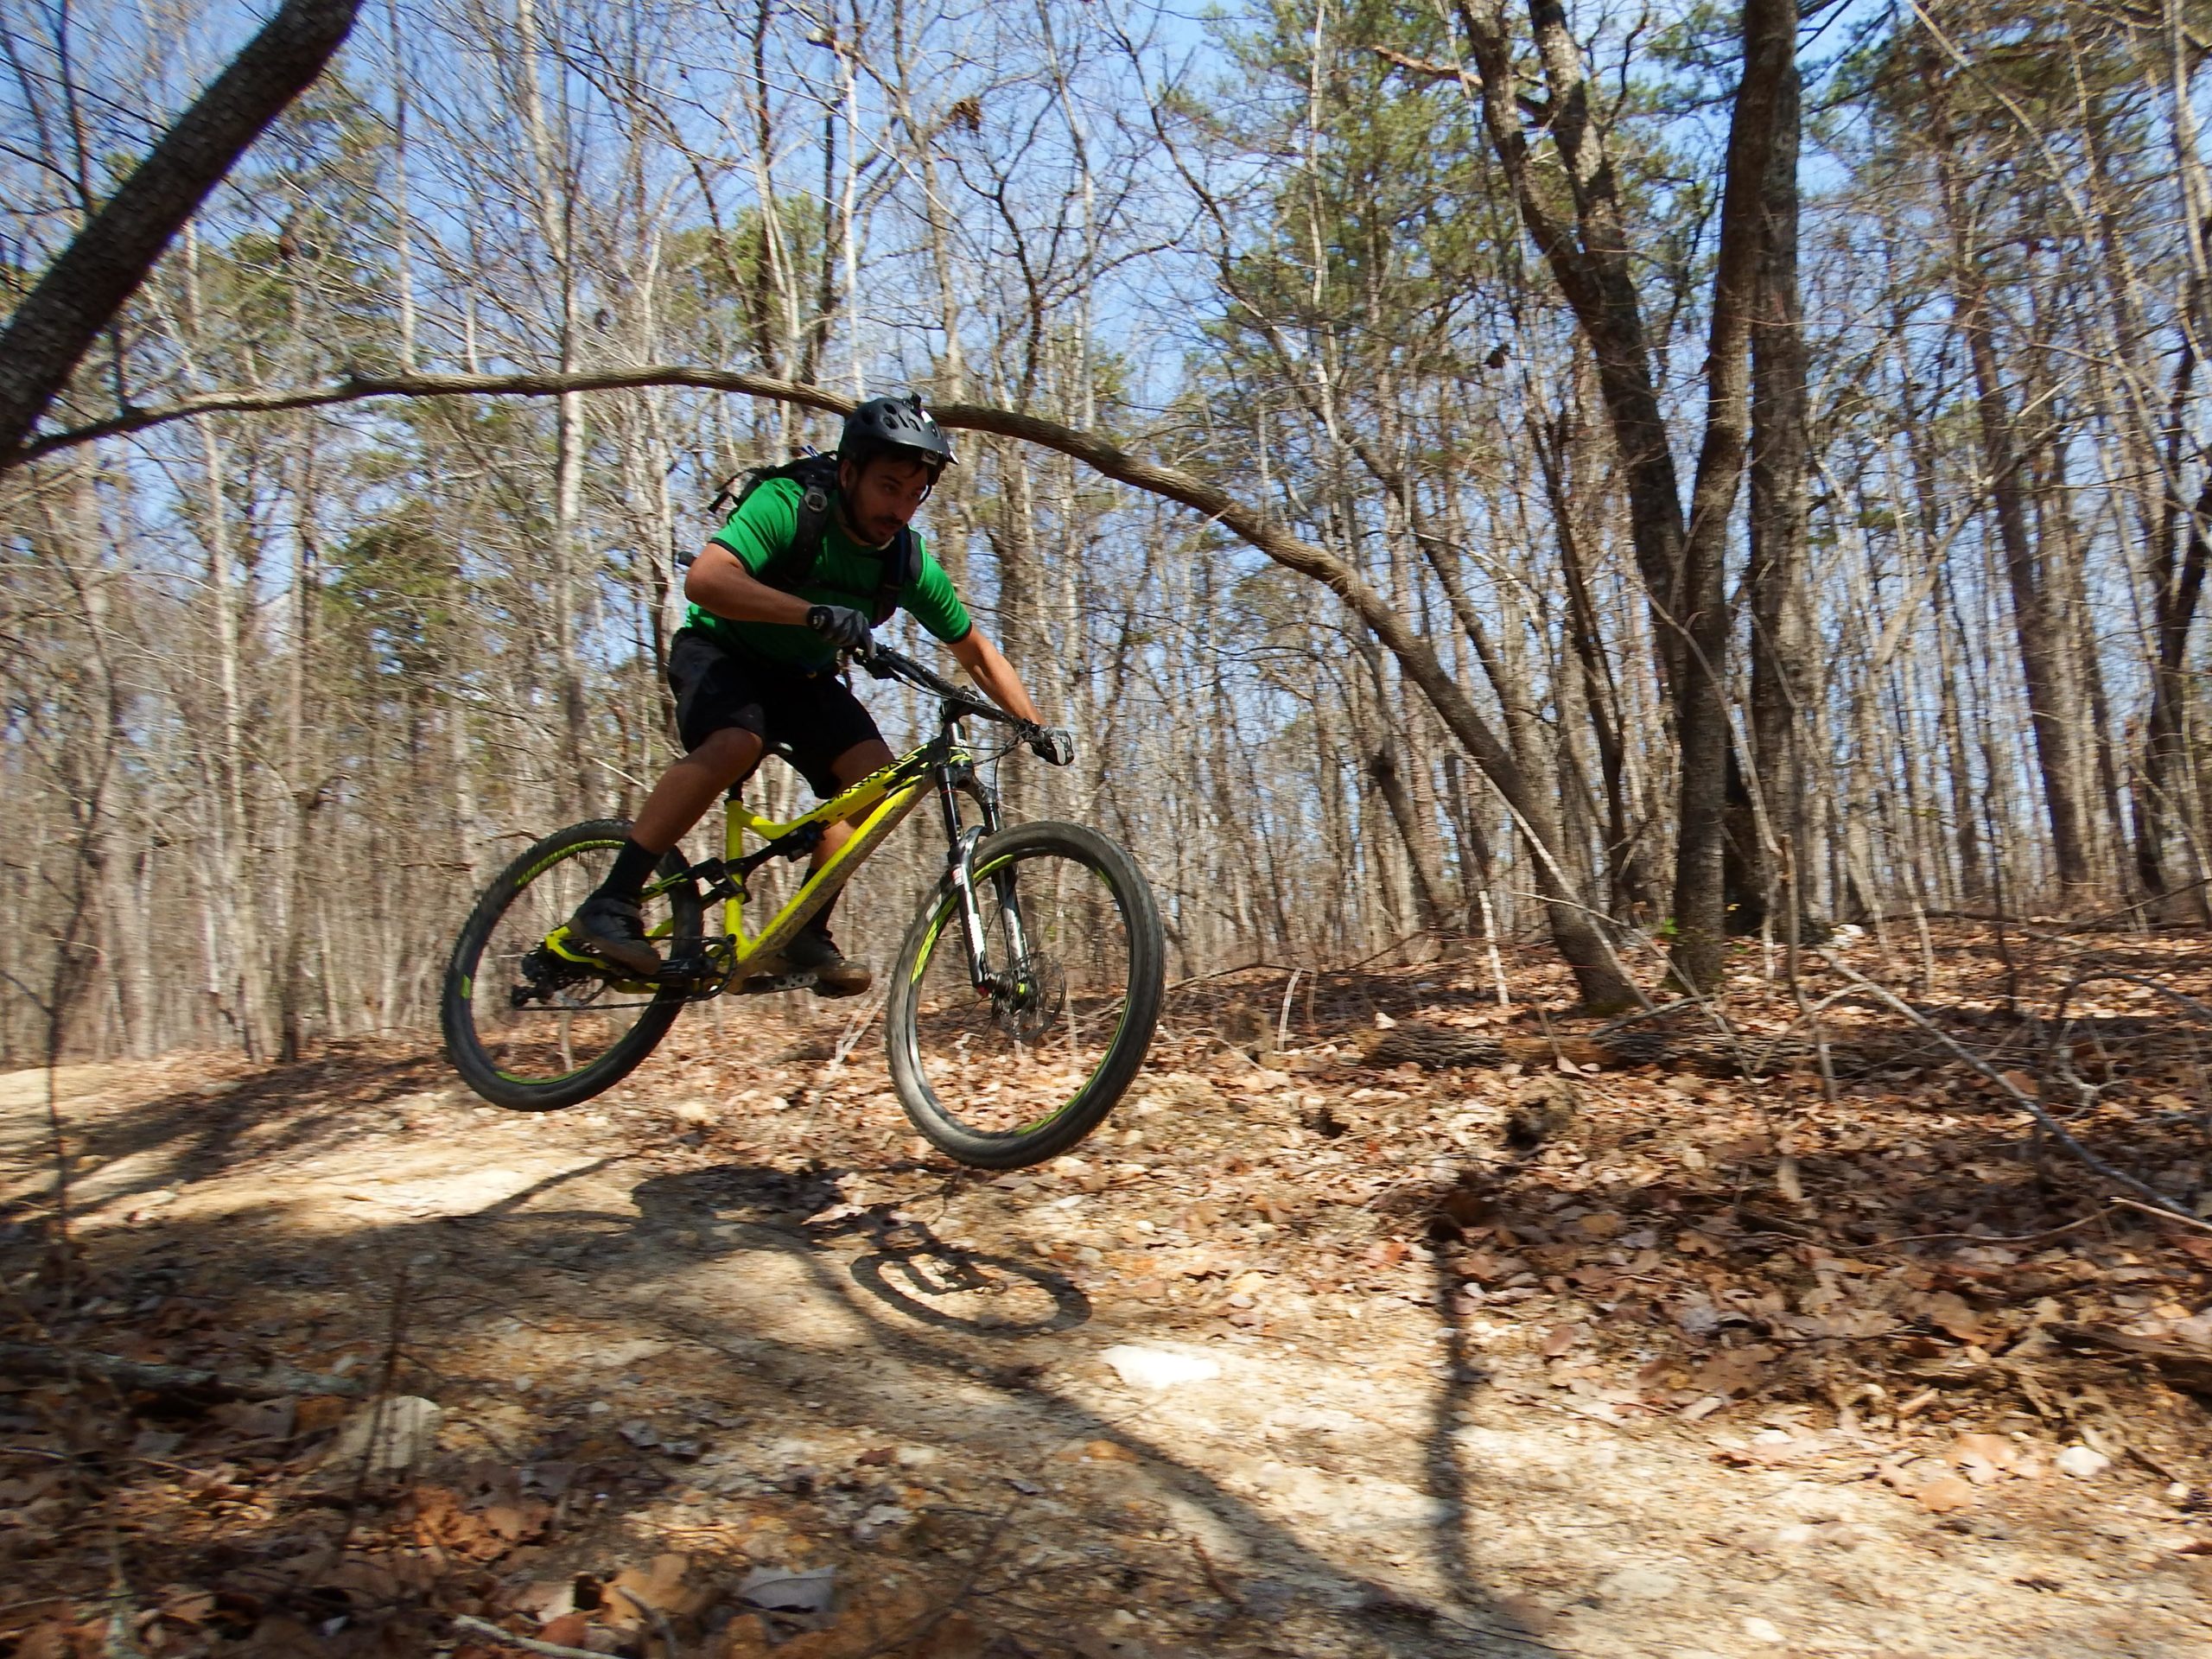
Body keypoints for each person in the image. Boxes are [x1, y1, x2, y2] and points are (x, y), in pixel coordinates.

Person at [566, 393, 1071, 995]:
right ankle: (611, 900)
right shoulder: (790, 504)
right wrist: (811, 614)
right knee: (734, 743)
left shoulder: (904, 560)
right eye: (889, 487)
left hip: (802, 678)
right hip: (722, 652)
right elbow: (705, 580)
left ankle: (803, 931)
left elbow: (977, 652)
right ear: (849, 471)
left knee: (878, 786)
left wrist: (1035, 725)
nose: (900, 509)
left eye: (915, 495)